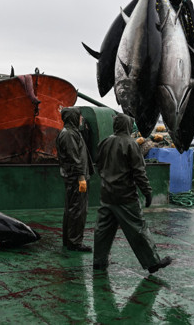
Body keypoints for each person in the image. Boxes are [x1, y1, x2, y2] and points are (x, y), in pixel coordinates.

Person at [92, 113, 172, 273]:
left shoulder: (105, 142)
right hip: (126, 196)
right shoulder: (131, 144)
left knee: (102, 230)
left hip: (107, 195)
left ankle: (99, 262)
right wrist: (147, 192)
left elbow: (98, 165)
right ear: (128, 126)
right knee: (138, 228)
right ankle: (152, 262)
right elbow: (139, 172)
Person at [56, 107, 94, 252]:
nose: (81, 119)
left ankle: (69, 240)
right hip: (76, 178)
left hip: (74, 176)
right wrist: (81, 177)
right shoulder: (69, 135)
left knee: (72, 209)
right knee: (78, 210)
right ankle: (75, 242)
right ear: (73, 117)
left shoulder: (72, 133)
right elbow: (74, 158)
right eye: (79, 117)